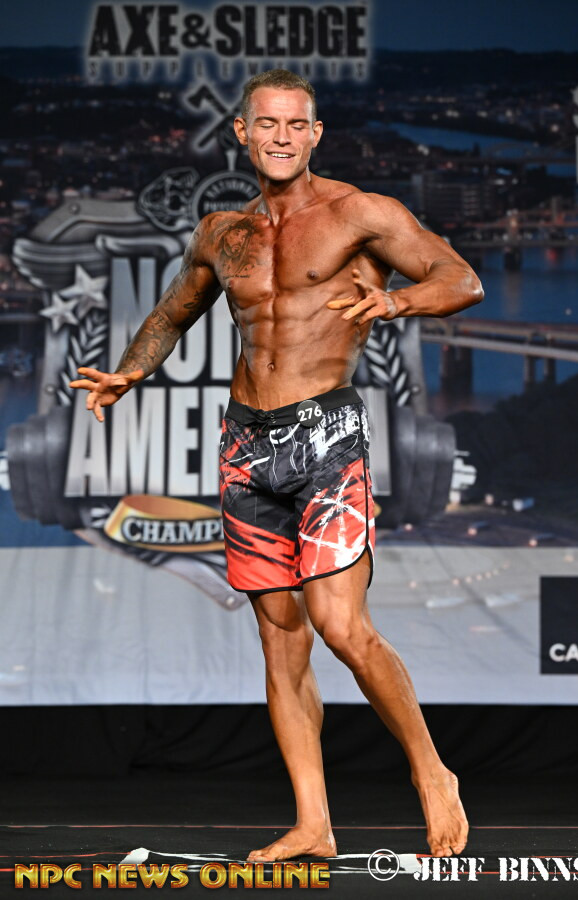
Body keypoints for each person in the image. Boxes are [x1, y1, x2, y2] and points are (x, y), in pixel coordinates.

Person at [70, 69, 483, 863]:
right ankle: (312, 823)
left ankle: (432, 771)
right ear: (243, 132)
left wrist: (395, 302)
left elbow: (460, 280)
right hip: (245, 446)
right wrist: (129, 371)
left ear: (316, 134)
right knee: (280, 641)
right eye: (268, 124)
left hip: (326, 436)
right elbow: (173, 313)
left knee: (341, 626)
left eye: (297, 124)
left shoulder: (360, 214)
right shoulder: (223, 232)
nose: (282, 137)